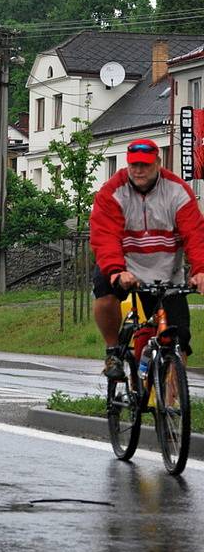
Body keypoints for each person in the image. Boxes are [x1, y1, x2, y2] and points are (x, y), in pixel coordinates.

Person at [90, 137, 204, 380]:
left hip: (165, 272)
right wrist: (116, 270)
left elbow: (195, 233)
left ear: (158, 164)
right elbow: (105, 235)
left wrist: (200, 270)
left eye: (145, 165)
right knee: (104, 289)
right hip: (124, 267)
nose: (139, 170)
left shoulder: (177, 192)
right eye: (134, 165)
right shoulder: (112, 192)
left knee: (179, 337)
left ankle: (173, 407)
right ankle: (112, 352)